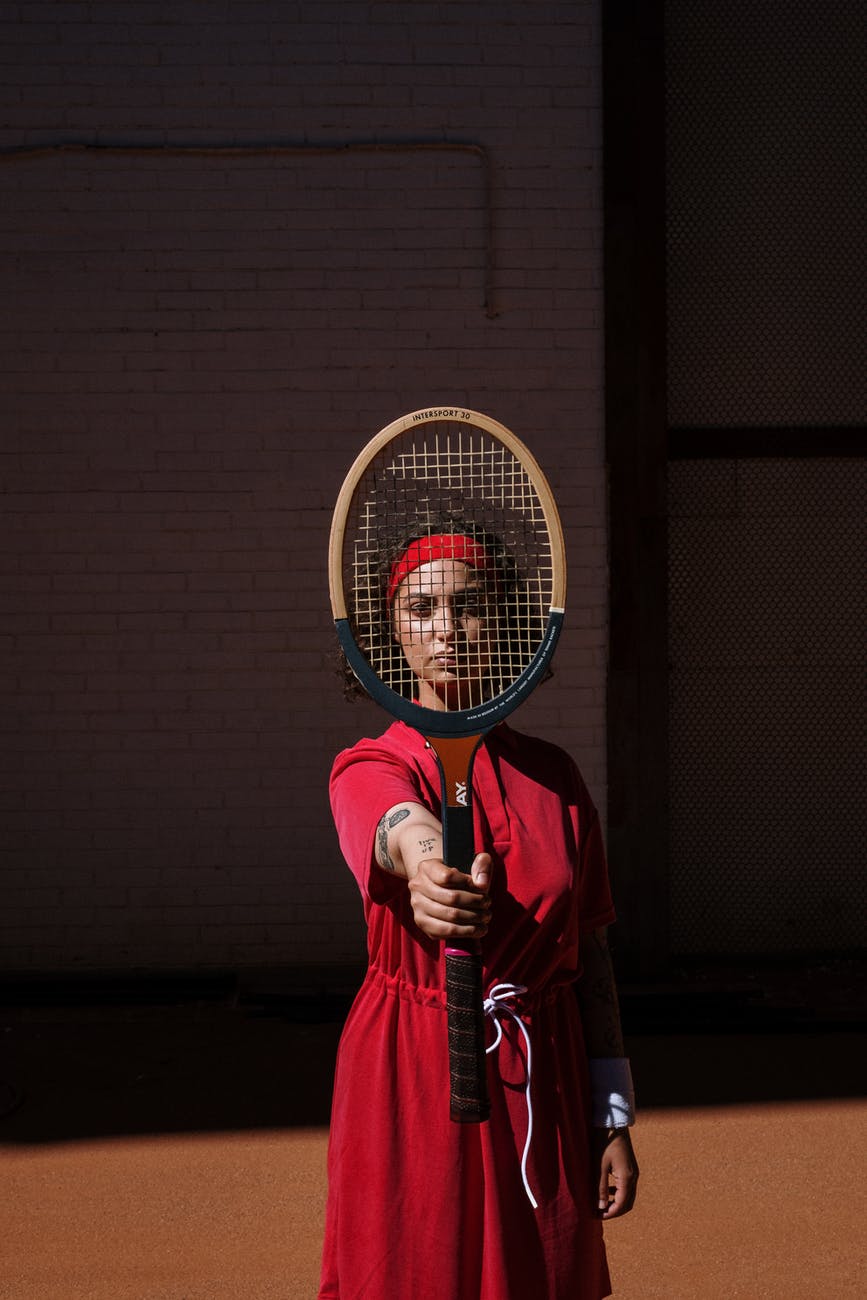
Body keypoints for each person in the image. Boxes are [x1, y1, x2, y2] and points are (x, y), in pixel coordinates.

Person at [319, 526, 638, 1300]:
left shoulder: (555, 777)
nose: (446, 629)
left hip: (544, 1066)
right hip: (412, 1068)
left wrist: (613, 1109)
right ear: (388, 633)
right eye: (420, 608)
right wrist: (429, 869)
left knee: (545, 1274)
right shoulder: (373, 764)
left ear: (506, 622)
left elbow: (589, 954)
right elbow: (395, 827)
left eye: (468, 606)